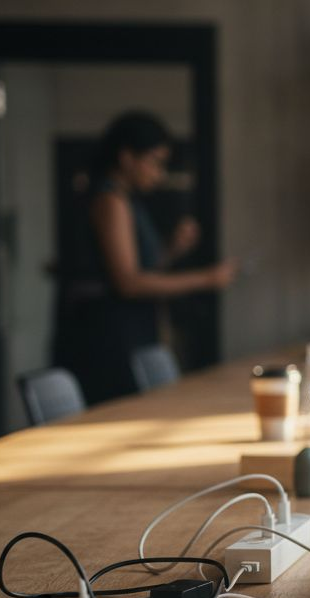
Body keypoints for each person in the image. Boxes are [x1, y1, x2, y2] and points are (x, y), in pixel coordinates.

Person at [53, 111, 233, 404]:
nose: (158, 173)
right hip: (108, 338)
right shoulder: (110, 200)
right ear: (126, 157)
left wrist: (173, 248)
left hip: (121, 332)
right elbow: (129, 282)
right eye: (155, 162)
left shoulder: (126, 200)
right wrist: (207, 278)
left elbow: (139, 268)